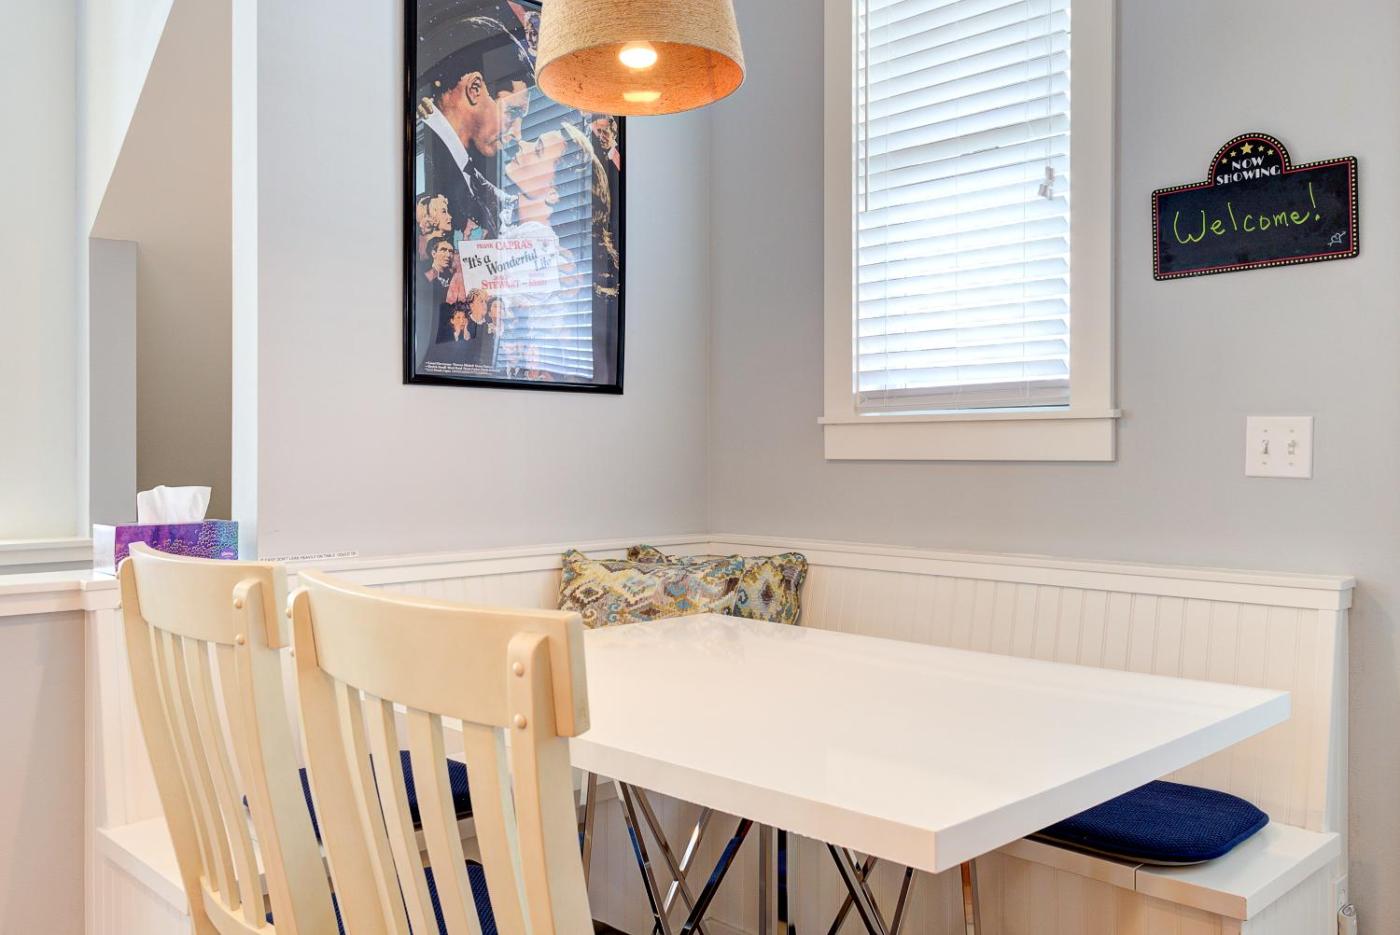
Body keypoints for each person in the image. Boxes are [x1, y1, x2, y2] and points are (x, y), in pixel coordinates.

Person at [416, 14, 532, 241]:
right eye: (512, 112)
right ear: (475, 89)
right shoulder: (426, 160)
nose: (517, 133)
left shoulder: (469, 172)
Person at [422, 305, 474, 369]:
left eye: (463, 317)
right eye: (458, 317)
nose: (462, 321)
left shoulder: (466, 333)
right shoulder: (445, 336)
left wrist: (465, 328)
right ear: (452, 320)